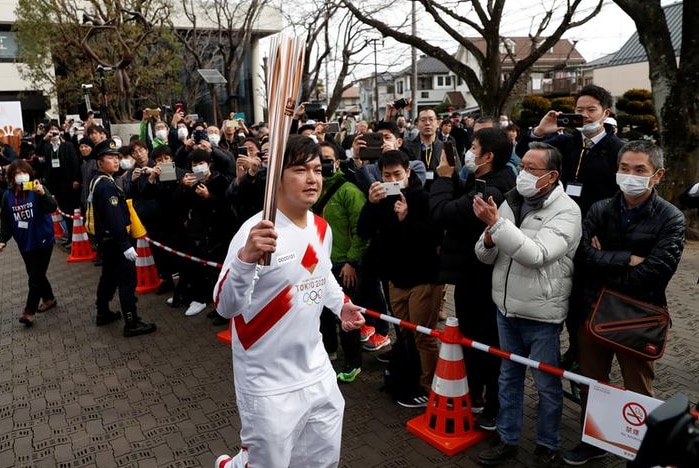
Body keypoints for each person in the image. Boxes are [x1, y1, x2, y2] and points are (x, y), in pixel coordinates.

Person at [213, 135, 365, 468]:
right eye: (299, 169)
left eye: (317, 169)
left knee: (322, 460)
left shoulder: (321, 229)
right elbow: (225, 306)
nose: (313, 178)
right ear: (276, 179)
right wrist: (245, 259)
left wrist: (341, 305)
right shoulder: (256, 233)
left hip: (316, 369)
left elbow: (319, 276)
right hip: (267, 380)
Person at [563, 140, 685, 466]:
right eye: (624, 168)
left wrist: (605, 260)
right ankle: (595, 440)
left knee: (638, 388)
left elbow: (655, 272)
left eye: (639, 170)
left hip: (639, 315)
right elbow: (584, 257)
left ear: (657, 175)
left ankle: (643, 449)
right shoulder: (600, 208)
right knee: (593, 382)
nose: (630, 176)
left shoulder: (671, 218)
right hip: (594, 309)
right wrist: (626, 258)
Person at [473, 142, 582, 466]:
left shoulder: (566, 210)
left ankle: (547, 444)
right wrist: (490, 235)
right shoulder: (511, 201)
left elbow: (537, 255)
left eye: (531, 169)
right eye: (522, 167)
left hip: (541, 312)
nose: (523, 173)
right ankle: (507, 439)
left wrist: (497, 225)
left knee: (547, 383)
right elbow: (484, 253)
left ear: (551, 176)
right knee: (509, 377)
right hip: (506, 307)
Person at [516, 85, 625, 372]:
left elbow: (620, 197)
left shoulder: (617, 149)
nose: (585, 116)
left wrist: (606, 233)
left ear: (606, 113)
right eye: (579, 110)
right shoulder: (565, 143)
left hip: (595, 234)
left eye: (591, 110)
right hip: (560, 228)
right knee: (561, 289)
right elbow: (525, 155)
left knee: (585, 298)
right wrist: (540, 132)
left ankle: (582, 353)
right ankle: (569, 349)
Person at [429, 127, 516, 429]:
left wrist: (441, 177)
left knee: (485, 343)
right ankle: (478, 396)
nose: (469, 151)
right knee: (479, 339)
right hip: (475, 273)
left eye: (474, 147)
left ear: (488, 156)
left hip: (480, 277)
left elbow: (443, 212)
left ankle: (491, 406)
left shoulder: (490, 189)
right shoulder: (488, 179)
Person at [357, 150, 443, 408]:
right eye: (386, 175)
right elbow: (364, 231)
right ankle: (410, 379)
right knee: (404, 333)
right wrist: (370, 205)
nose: (392, 179)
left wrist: (407, 219)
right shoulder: (381, 197)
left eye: (397, 174)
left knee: (423, 336)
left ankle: (430, 387)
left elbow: (434, 238)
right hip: (395, 278)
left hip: (424, 278)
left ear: (408, 172)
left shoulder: (424, 198)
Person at [315, 141, 369, 382]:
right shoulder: (312, 189)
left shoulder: (349, 190)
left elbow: (362, 230)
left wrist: (352, 262)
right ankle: (329, 352)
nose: (323, 163)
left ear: (337, 161)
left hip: (344, 264)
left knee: (346, 314)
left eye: (327, 158)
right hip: (318, 264)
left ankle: (353, 363)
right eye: (319, 159)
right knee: (322, 314)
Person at [91, 139, 157, 337]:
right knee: (127, 281)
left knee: (109, 277)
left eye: (116, 157)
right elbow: (114, 218)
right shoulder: (106, 186)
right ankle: (131, 321)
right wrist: (125, 245)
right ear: (99, 163)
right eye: (109, 158)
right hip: (116, 241)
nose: (115, 161)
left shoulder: (101, 181)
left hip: (107, 240)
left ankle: (102, 312)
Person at [0, 160, 58, 327]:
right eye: (17, 174)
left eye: (24, 172)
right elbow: (6, 220)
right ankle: (49, 298)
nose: (21, 176)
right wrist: (2, 239)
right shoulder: (8, 196)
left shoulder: (37, 188)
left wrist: (42, 193)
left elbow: (52, 207)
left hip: (43, 240)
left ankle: (29, 312)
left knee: (35, 278)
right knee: (36, 273)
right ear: (11, 178)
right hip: (25, 242)